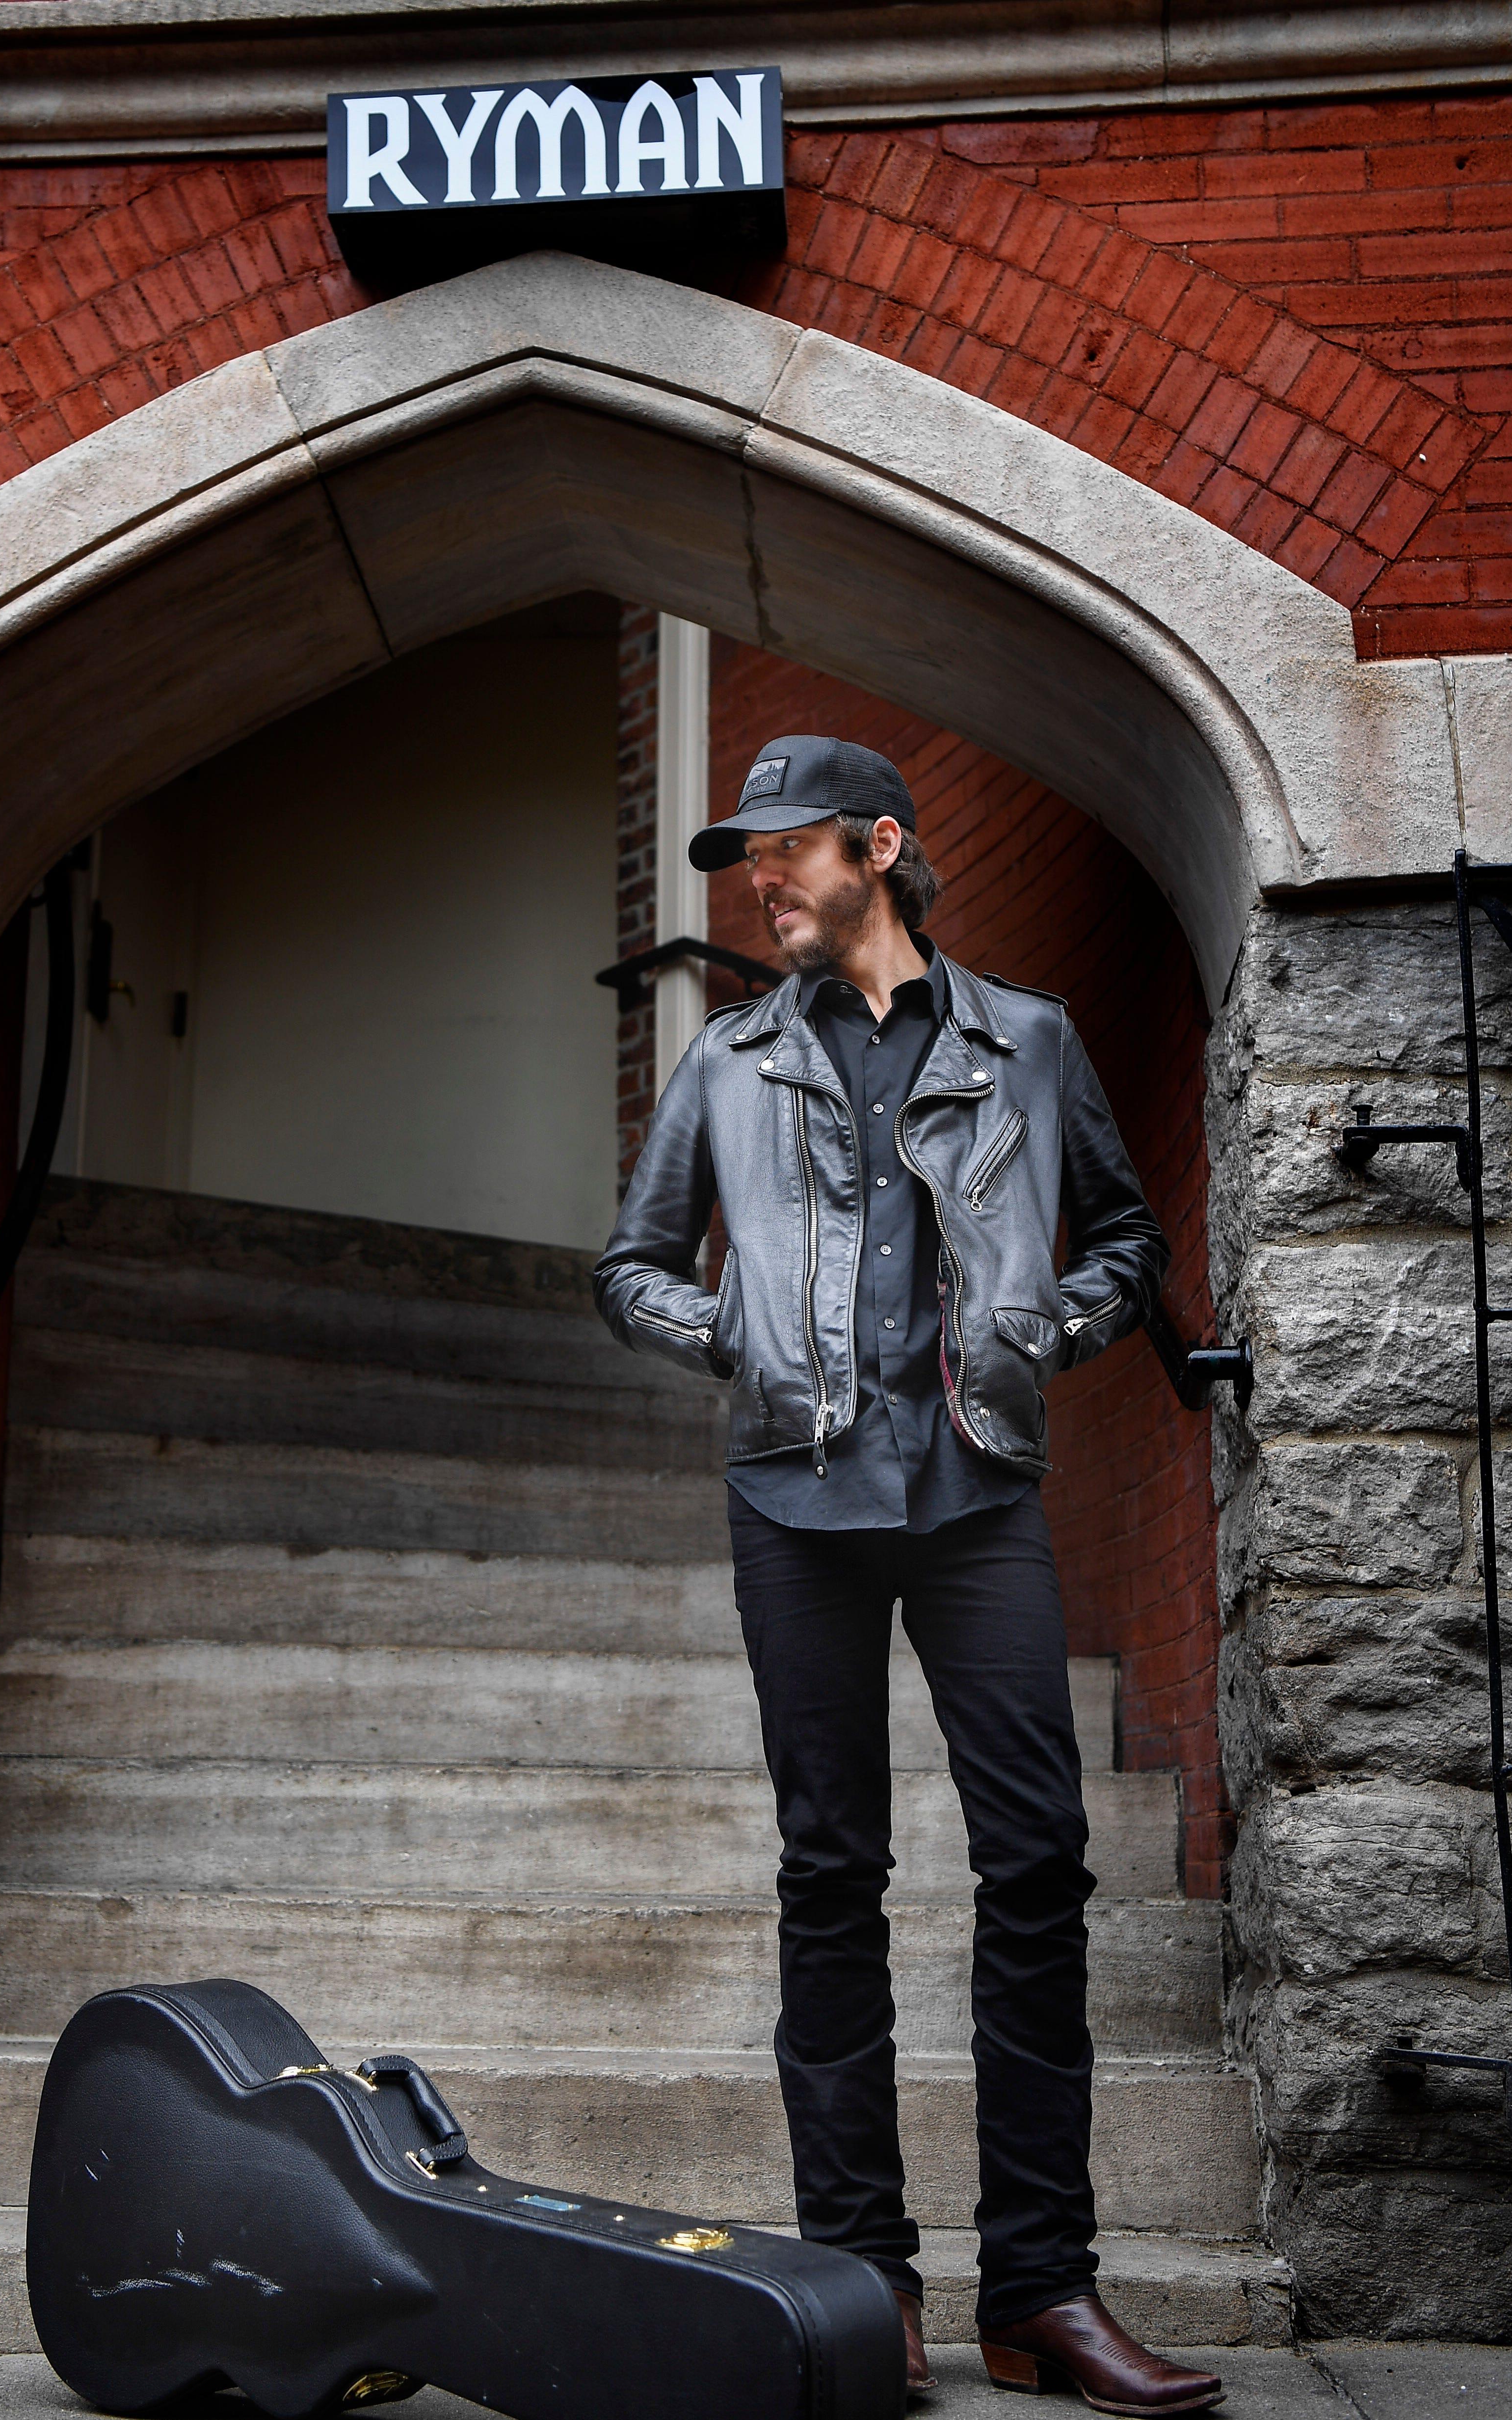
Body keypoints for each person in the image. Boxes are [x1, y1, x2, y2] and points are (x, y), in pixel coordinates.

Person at [594, 735, 1224, 2414]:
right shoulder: (728, 1060)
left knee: (1034, 1864)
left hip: (972, 1493)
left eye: (786, 850)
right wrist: (724, 1329)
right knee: (831, 1875)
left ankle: (1040, 2289)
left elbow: (1123, 1239)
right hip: (790, 1502)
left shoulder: (1026, 1039)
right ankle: (865, 2280)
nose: (759, 881)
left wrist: (1042, 1332)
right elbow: (631, 1265)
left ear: (880, 844)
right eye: (744, 861)